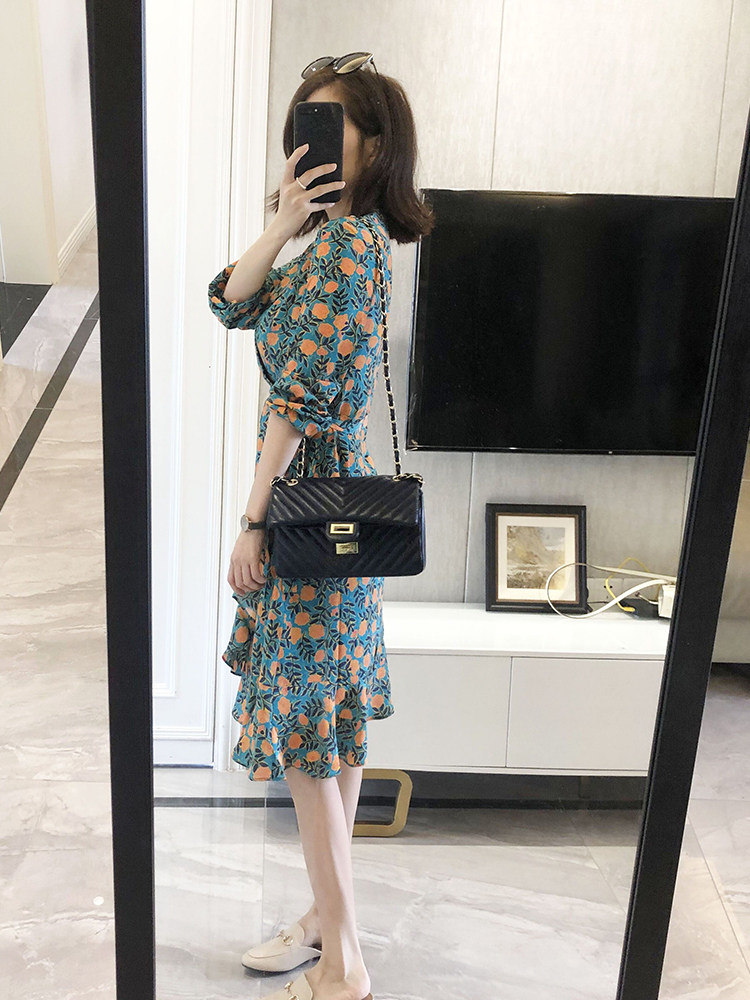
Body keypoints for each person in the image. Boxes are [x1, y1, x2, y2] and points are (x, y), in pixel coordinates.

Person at [207, 57, 433, 1000]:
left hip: (308, 521)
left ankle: (343, 963)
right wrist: (281, 221)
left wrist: (252, 522)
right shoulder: (334, 241)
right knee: (331, 736)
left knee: (307, 749)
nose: (311, 137)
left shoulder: (349, 252)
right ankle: (319, 920)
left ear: (374, 145)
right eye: (305, 121)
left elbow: (295, 406)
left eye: (331, 122)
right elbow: (230, 301)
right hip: (335, 519)